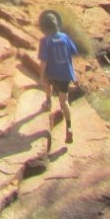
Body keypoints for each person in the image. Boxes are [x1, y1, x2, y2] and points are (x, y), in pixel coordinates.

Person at [37, 9, 79, 145]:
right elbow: (73, 53)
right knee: (64, 101)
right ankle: (69, 126)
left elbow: (44, 61)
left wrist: (41, 75)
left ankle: (48, 101)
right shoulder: (65, 37)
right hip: (65, 74)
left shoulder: (45, 41)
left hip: (52, 73)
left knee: (46, 82)